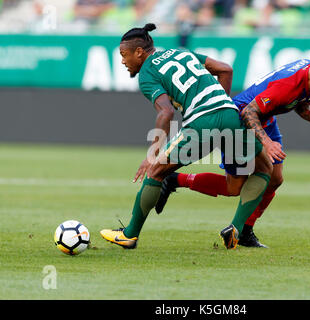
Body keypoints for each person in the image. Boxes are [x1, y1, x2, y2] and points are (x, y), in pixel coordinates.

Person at [100, 23, 273, 250]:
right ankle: (236, 229)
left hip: (202, 122)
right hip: (230, 115)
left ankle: (129, 234)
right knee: (264, 168)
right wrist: (219, 103)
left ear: (139, 52)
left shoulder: (147, 73)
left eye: (124, 55)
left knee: (155, 171)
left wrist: (153, 153)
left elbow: (166, 112)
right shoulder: (181, 52)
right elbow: (225, 69)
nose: (123, 61)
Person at [156, 38, 310, 248]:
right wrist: (267, 143)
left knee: (275, 179)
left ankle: (244, 231)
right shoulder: (287, 84)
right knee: (234, 187)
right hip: (239, 120)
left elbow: (300, 102)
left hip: (265, 119)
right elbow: (249, 112)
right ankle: (175, 179)